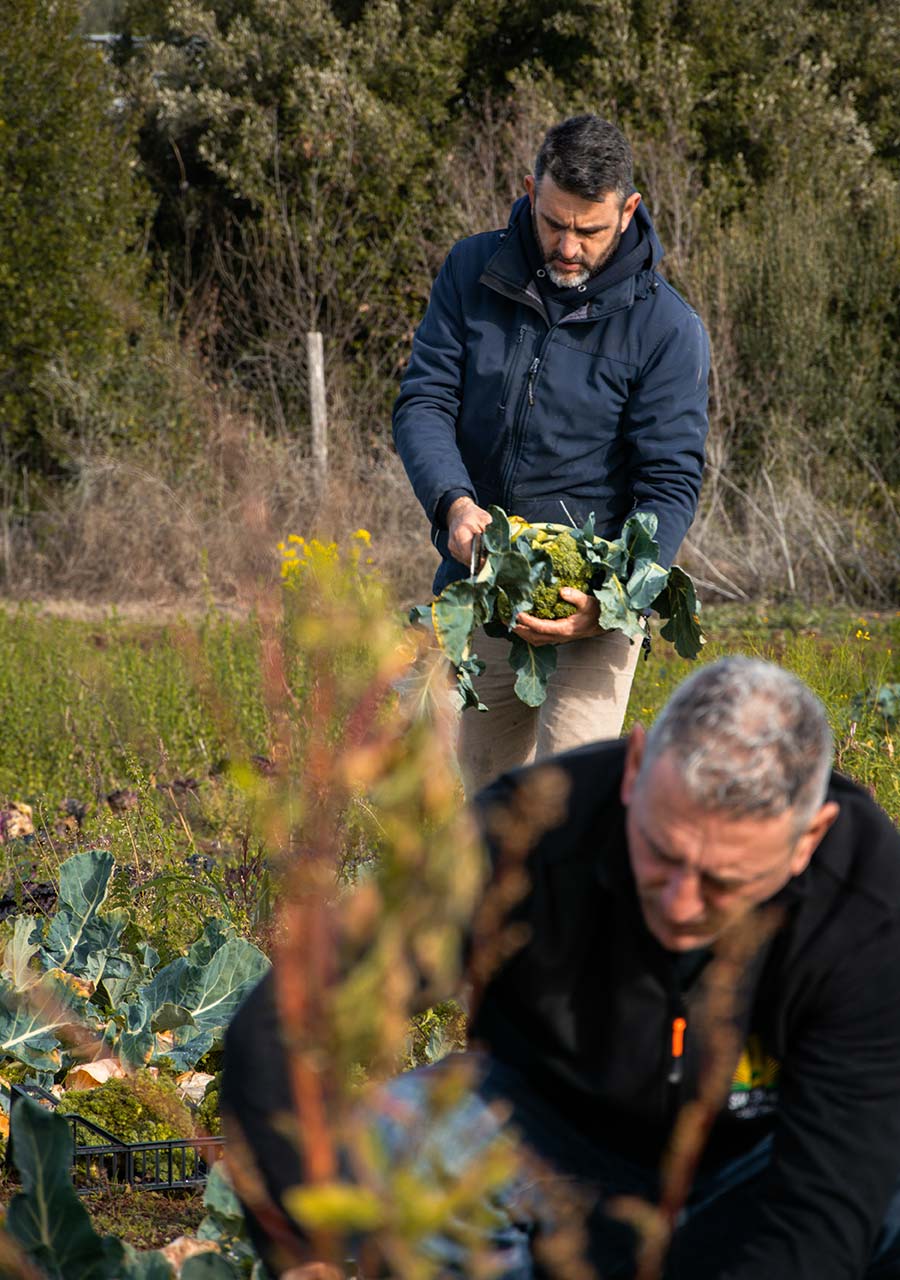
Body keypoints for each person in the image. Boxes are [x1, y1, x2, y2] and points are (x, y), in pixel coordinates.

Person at [223, 657, 900, 1279]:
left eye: (725, 882)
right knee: (402, 1145)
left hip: (758, 1163)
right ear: (635, 769)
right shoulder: (527, 828)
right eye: (661, 855)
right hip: (553, 1142)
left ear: (806, 839)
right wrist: (305, 1249)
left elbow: (823, 1210)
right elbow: (288, 1014)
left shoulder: (868, 903)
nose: (681, 904)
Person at [392, 114, 710, 794]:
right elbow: (424, 403)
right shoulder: (472, 270)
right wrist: (453, 503)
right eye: (553, 222)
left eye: (589, 230)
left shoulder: (668, 329)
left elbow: (670, 483)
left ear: (628, 211)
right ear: (531, 191)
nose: (567, 246)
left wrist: (616, 599)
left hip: (591, 605)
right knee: (470, 800)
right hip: (483, 586)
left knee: (569, 807)